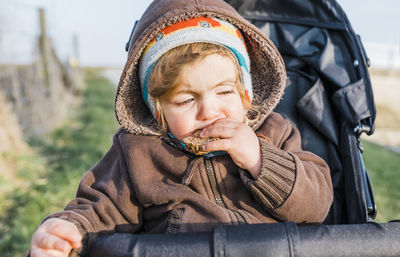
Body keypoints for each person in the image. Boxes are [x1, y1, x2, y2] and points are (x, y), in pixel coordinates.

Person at [28, 0, 333, 256]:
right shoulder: (138, 153)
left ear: (245, 94)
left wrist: (259, 159)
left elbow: (317, 205)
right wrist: (69, 229)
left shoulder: (275, 132)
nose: (209, 111)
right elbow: (101, 207)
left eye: (224, 92)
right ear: (158, 111)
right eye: (187, 99)